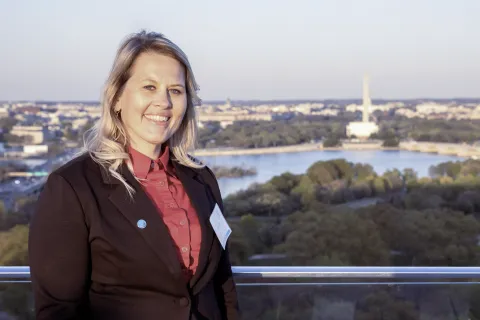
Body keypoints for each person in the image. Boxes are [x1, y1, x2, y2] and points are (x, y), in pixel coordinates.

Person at [28, 30, 239, 320]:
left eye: (175, 91)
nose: (164, 102)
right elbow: (58, 311)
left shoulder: (202, 180)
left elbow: (222, 283)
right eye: (149, 87)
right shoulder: (73, 187)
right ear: (116, 97)